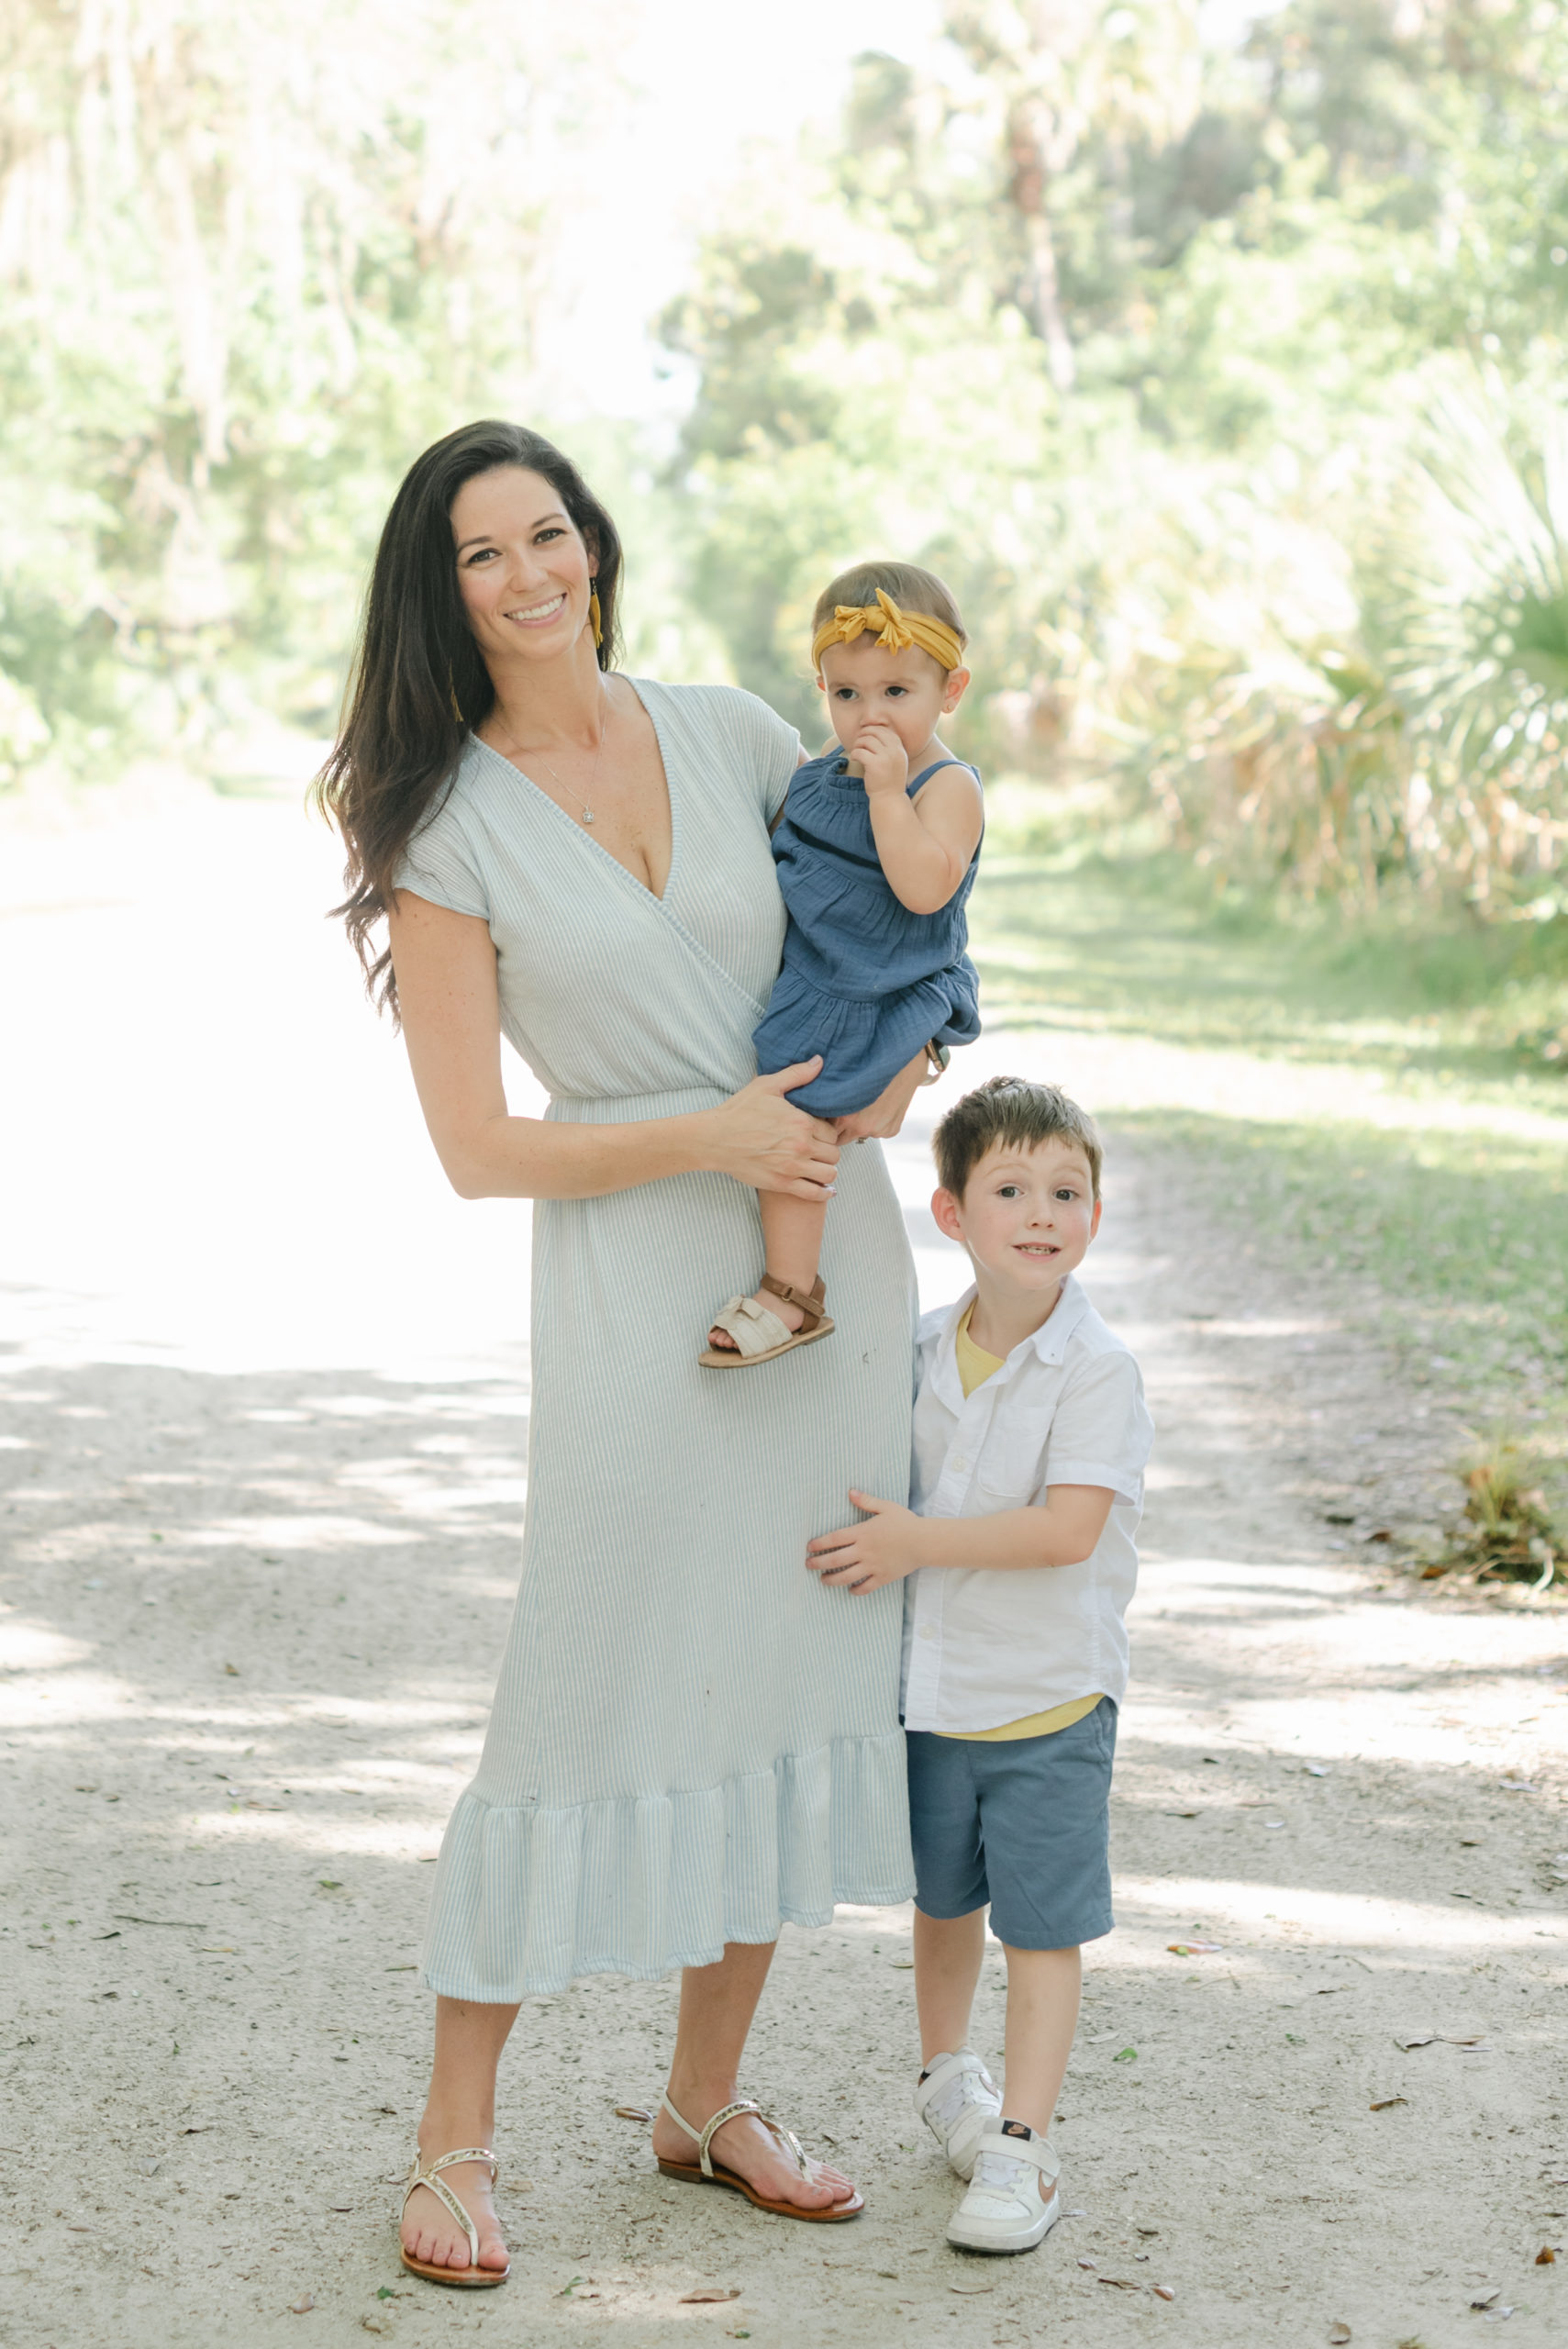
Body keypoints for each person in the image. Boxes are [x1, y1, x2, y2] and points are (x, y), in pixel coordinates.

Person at [314, 420, 938, 2287]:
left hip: (824, 1265)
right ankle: (453, 2136)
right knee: (577, 1676)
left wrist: (890, 1072)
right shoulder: (445, 819)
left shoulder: (740, 729)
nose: (529, 573)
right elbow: (472, 1146)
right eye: (480, 554)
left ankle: (702, 2100)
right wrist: (707, 1135)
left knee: (782, 1669)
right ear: (441, 597)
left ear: (592, 542)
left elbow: (876, 929)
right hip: (632, 1278)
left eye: (547, 531)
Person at [806, 1076, 1153, 2255]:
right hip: (931, 1697)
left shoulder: (1095, 1369)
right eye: (1010, 1189)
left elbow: (1065, 1531)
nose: (1041, 1211)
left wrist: (912, 1545)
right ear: (952, 1213)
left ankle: (1021, 2141)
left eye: (1066, 1191)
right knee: (941, 1899)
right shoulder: (915, 1351)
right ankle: (944, 2078)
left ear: (1093, 1216)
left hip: (1046, 1697)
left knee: (1039, 1927)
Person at [702, 565, 983, 1368]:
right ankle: (791, 1285)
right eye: (846, 694)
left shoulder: (944, 785)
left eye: (896, 691)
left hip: (872, 990)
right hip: (821, 976)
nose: (869, 716)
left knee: (796, 1115)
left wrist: (889, 797)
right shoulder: (832, 764)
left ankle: (790, 1291)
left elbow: (927, 891)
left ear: (950, 690)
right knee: (787, 1109)